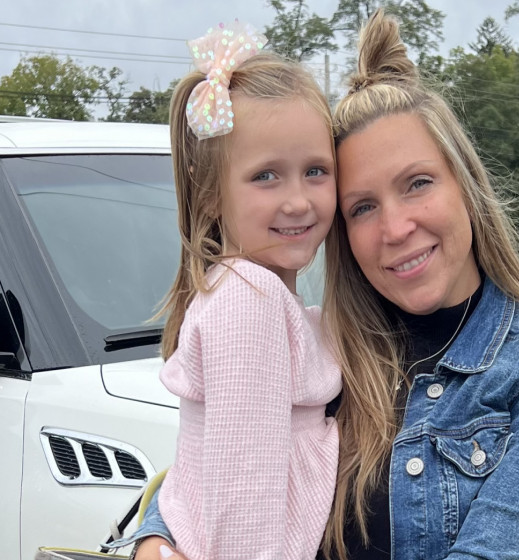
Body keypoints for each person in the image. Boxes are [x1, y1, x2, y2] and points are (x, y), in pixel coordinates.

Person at [133, 10, 519, 560]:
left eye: (417, 184)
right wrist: (154, 539)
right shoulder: (330, 343)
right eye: (362, 207)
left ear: (467, 184)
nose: (396, 228)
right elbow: (218, 471)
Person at [106, 19, 342, 560]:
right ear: (211, 194)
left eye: (316, 170)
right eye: (266, 176)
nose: (298, 200)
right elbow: (243, 509)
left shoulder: (248, 294)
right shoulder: (249, 300)